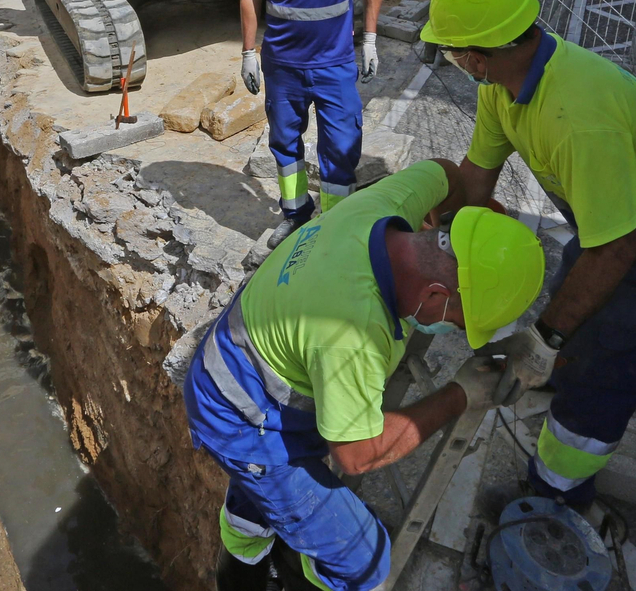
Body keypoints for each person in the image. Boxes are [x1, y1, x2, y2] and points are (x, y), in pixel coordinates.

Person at [419, 0, 636, 508]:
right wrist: (424, 230)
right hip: (610, 224)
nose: (454, 61)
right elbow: (475, 180)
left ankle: (553, 497)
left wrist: (543, 339)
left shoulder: (574, 115)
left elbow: (616, 250)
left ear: (478, 53)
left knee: (603, 370)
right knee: (570, 317)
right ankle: (556, 383)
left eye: (452, 50)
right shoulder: (504, 86)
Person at [184, 159, 545, 590]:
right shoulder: (353, 335)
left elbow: (447, 173)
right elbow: (354, 454)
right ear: (434, 293)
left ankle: (249, 547)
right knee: (363, 561)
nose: (460, 332)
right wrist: (460, 395)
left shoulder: (387, 205)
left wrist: (481, 234)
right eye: (462, 322)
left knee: (263, 498)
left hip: (242, 350)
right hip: (239, 415)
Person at [240, 0, 385, 245]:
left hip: (334, 63)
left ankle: (334, 230)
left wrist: (370, 38)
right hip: (283, 64)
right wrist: (248, 52)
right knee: (285, 143)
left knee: (341, 146)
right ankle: (297, 214)